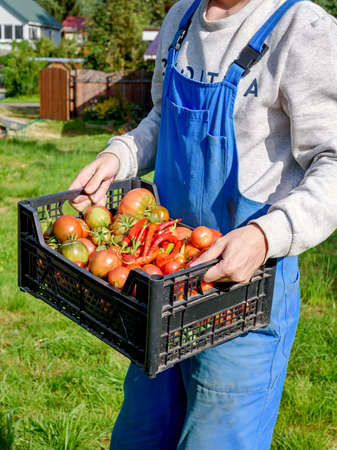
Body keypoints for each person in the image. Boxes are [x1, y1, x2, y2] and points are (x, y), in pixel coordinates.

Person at [69, 0, 337, 448]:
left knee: (216, 439)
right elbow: (160, 118)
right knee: (142, 434)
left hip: (245, 293)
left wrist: (266, 233)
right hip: (162, 276)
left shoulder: (303, 29)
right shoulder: (182, 17)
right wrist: (121, 154)